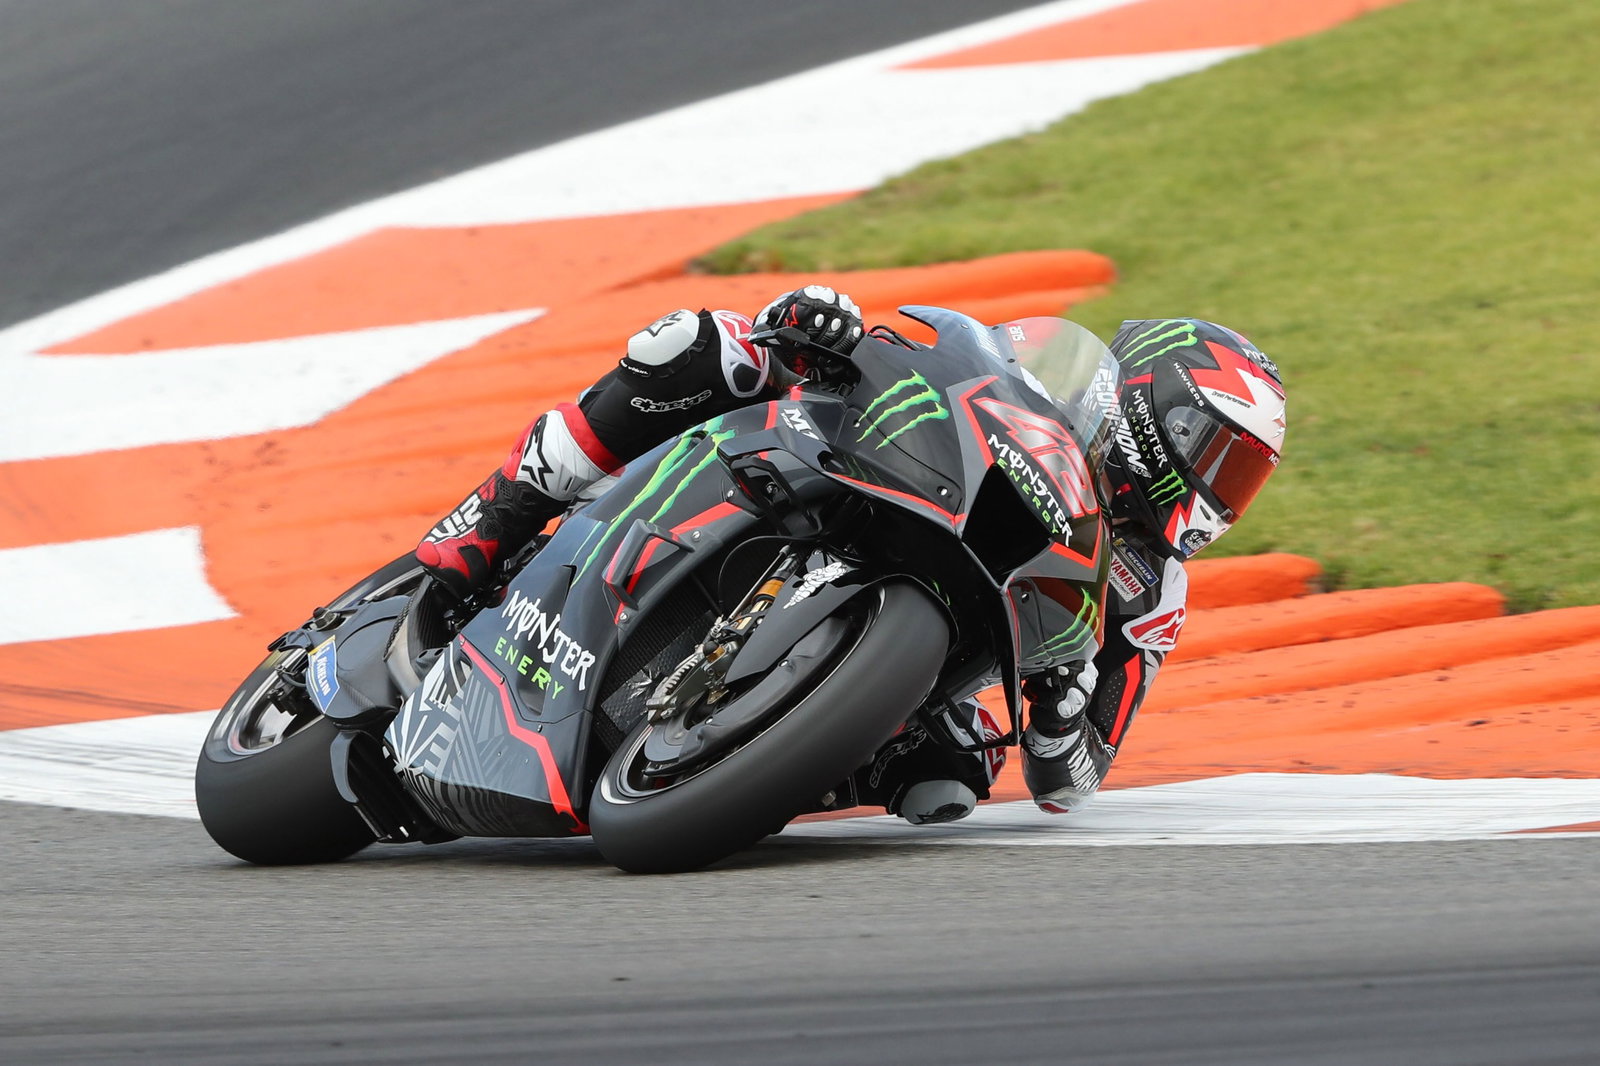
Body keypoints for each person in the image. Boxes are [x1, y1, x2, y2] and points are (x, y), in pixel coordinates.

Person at [415, 288, 1287, 824]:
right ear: (1152, 406)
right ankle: (494, 518)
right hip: (864, 473)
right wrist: (823, 329)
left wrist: (1062, 707)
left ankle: (736, 761)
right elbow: (946, 355)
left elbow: (1075, 780)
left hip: (936, 654)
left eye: (1240, 478)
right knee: (704, 346)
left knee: (952, 772)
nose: (1218, 491)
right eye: (1213, 454)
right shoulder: (1052, 376)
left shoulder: (1154, 591)